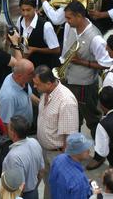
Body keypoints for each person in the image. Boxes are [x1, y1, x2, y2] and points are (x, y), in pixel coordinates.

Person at [61, 1, 112, 133]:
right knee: (72, 118)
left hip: (85, 86)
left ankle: (99, 151)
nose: (66, 21)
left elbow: (106, 63)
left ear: (79, 16)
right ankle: (75, 148)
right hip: (69, 80)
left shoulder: (95, 38)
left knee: (92, 120)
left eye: (69, 18)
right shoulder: (71, 27)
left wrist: (81, 62)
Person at [32, 65, 79, 198]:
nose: (35, 87)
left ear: (49, 83)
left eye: (37, 84)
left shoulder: (66, 101)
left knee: (55, 188)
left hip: (57, 154)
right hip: (44, 150)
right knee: (48, 183)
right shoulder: (46, 92)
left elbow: (69, 138)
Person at [11, 0, 61, 69]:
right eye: (23, 10)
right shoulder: (20, 19)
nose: (25, 14)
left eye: (28, 10)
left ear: (35, 8)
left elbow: (56, 49)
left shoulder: (46, 26)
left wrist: (34, 49)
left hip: (42, 67)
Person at [2, 115, 44, 199]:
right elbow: (42, 171)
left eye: (9, 127)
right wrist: (34, 188)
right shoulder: (34, 142)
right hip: (34, 192)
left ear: (13, 133)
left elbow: (19, 188)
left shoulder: (13, 157)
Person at [49, 133, 95, 199]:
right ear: (76, 152)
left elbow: (52, 181)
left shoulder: (58, 159)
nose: (89, 151)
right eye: (85, 148)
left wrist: (86, 182)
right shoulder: (79, 181)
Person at [0, 59, 36, 124]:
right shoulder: (8, 97)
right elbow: (5, 123)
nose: (34, 75)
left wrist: (41, 103)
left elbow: (28, 94)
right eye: (31, 73)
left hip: (28, 124)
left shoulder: (19, 79)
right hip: (20, 132)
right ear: (19, 76)